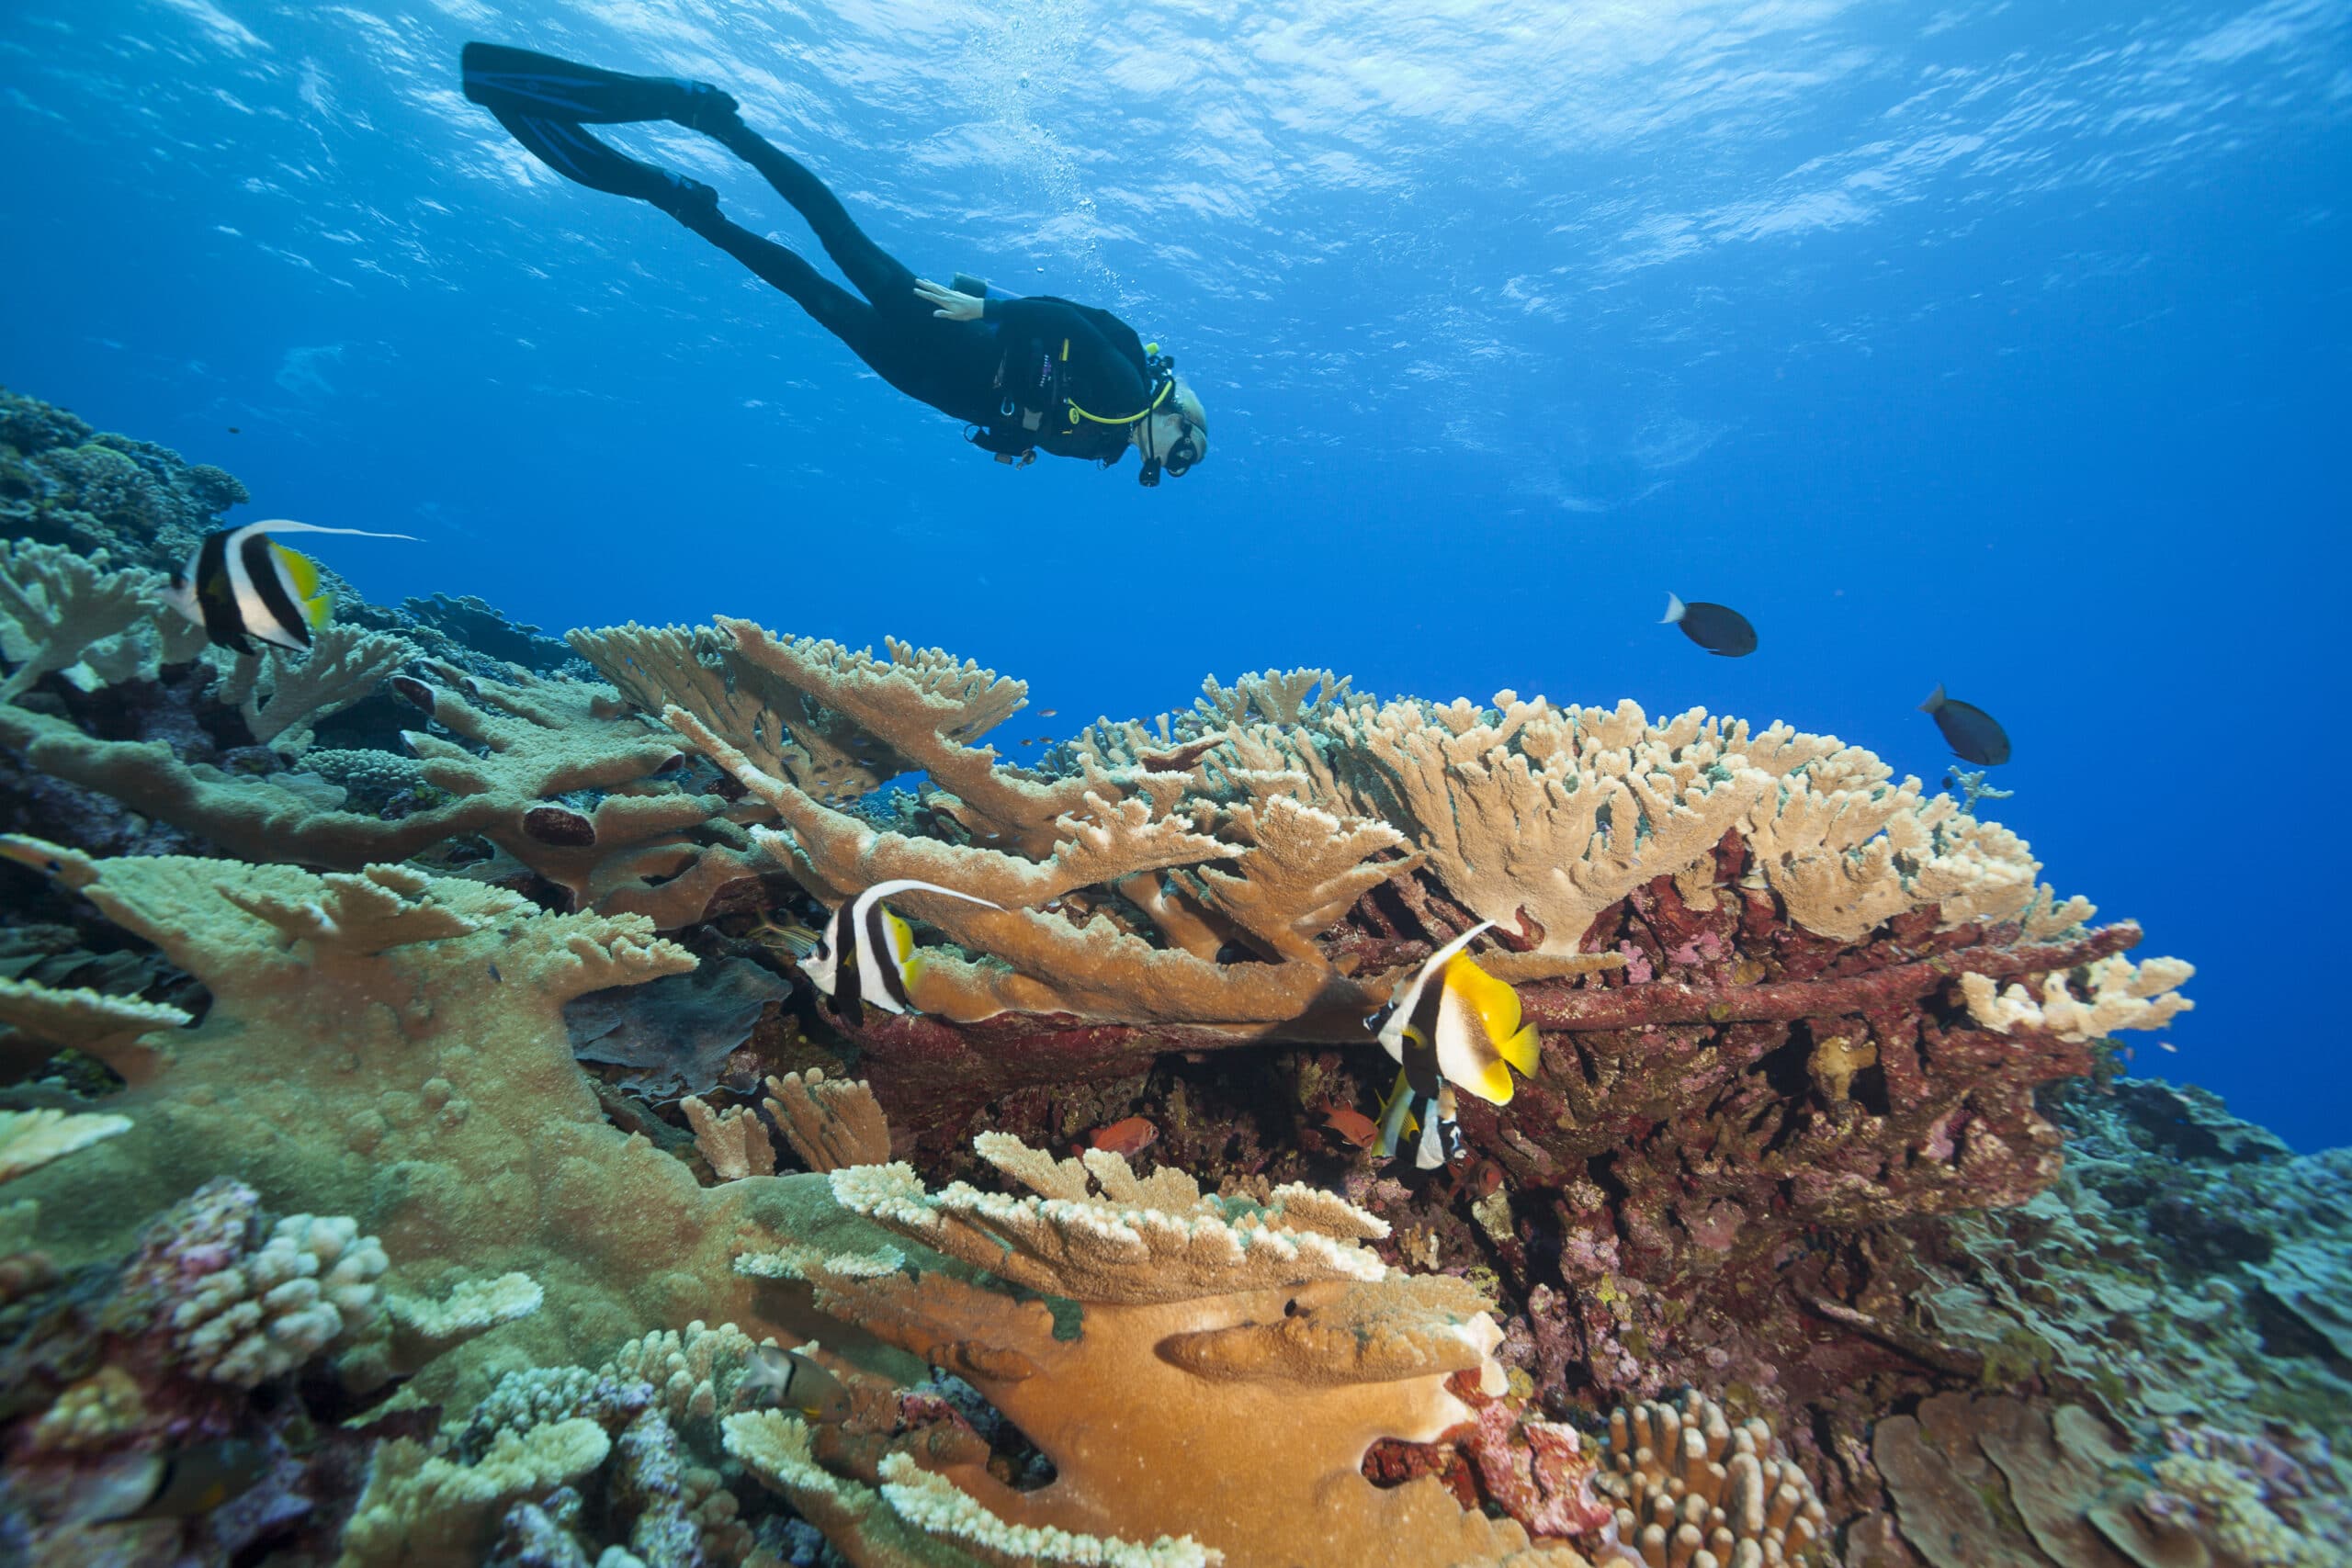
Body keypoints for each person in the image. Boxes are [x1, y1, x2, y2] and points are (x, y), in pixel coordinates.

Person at [459, 43, 1208, 484]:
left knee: (804, 285)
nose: (1171, 464)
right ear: (1174, 417)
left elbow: (1034, 402)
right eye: (1185, 450)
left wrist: (1010, 441)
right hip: (950, 330)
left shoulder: (1105, 441)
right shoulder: (1128, 391)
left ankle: (689, 202)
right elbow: (1064, 317)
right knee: (834, 236)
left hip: (924, 375)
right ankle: (715, 125)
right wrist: (990, 310)